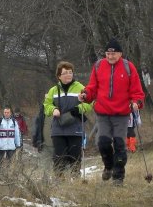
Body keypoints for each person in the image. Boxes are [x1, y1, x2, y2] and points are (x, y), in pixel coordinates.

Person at [81, 40, 144, 185]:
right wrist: (85, 94)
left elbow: (137, 91)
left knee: (120, 144)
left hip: (122, 114)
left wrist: (137, 103)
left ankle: (118, 177)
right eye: (108, 53)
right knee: (102, 142)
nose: (110, 56)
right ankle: (108, 166)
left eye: (113, 54)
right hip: (102, 113)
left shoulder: (129, 67)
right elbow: (92, 87)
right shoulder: (98, 66)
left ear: (120, 54)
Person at [45, 62, 93, 174]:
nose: (68, 75)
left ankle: (75, 181)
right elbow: (46, 105)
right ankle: (59, 182)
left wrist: (79, 109)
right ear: (59, 76)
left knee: (74, 157)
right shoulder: (53, 90)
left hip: (75, 128)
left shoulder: (81, 87)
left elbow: (90, 103)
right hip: (58, 129)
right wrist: (53, 110)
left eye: (70, 72)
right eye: (65, 73)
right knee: (59, 157)